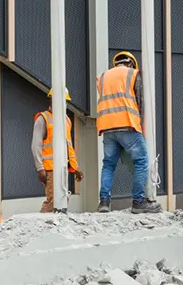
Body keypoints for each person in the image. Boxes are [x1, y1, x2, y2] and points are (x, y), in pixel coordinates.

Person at [96, 51, 161, 214]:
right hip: (127, 124)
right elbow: (140, 102)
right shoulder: (133, 74)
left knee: (108, 164)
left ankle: (104, 202)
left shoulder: (103, 77)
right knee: (141, 161)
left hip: (107, 126)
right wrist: (141, 127)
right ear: (131, 63)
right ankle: (138, 202)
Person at [32, 88, 84, 213]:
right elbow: (36, 145)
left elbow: (69, 145)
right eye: (61, 101)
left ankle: (55, 225)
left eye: (65, 102)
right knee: (53, 201)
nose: (64, 104)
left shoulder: (66, 120)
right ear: (52, 101)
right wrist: (40, 168)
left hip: (63, 168)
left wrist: (75, 168)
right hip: (50, 168)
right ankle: (42, 226)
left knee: (63, 199)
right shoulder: (43, 118)